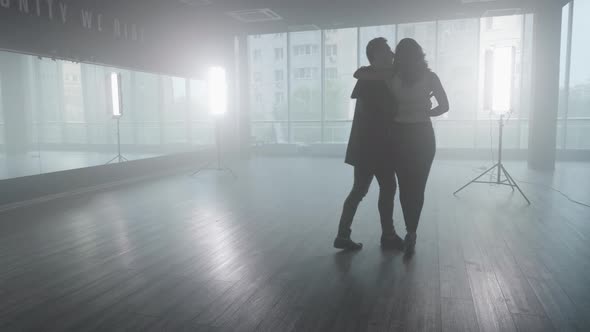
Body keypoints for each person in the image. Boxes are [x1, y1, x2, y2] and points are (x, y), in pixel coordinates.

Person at [354, 38, 449, 254]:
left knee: (405, 187)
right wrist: (426, 112)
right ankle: (412, 232)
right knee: (417, 187)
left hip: (399, 135)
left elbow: (359, 74)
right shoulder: (430, 77)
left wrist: (375, 68)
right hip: (423, 135)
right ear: (420, 55)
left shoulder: (391, 75)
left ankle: (409, 232)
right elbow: (444, 106)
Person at [334, 37, 404, 251]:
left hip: (368, 147)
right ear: (376, 55)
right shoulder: (371, 79)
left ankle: (344, 235)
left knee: (362, 190)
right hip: (375, 147)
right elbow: (381, 113)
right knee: (379, 188)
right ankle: (387, 235)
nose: (391, 54)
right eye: (386, 51)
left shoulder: (370, 77)